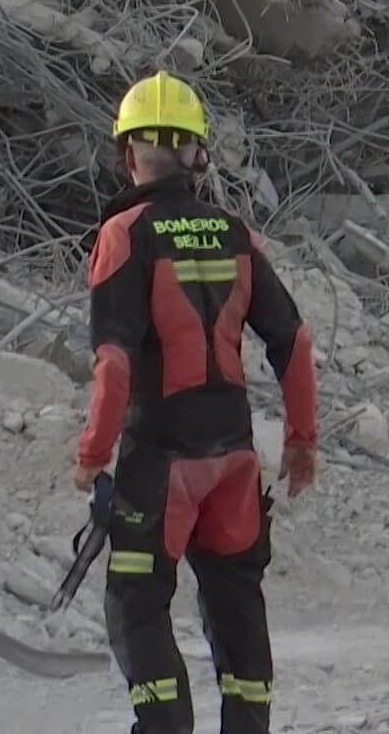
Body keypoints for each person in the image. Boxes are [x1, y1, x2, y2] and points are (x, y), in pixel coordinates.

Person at [72, 71, 319, 734]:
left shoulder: (126, 233)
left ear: (127, 152)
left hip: (161, 464)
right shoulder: (235, 233)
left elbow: (115, 360)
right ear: (197, 153)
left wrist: (93, 453)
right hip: (233, 462)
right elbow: (293, 341)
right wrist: (301, 441)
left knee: (137, 603)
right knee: (237, 603)